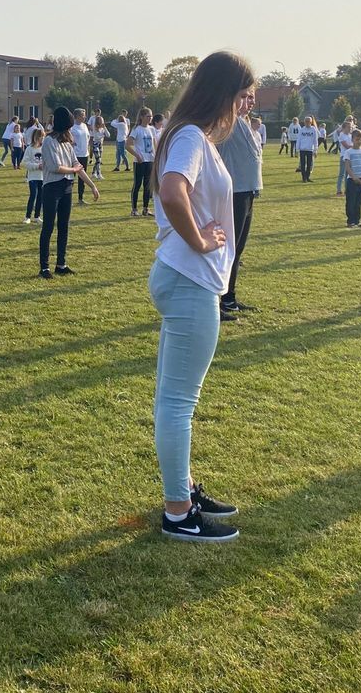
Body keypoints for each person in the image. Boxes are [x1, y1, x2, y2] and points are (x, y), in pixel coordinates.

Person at [150, 50, 252, 543]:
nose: (247, 105)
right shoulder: (190, 135)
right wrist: (198, 239)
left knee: (173, 398)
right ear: (223, 94)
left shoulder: (194, 135)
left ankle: (183, 491)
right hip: (188, 277)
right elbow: (173, 191)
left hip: (184, 277)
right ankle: (177, 513)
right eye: (244, 95)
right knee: (178, 402)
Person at [38, 107, 99, 278]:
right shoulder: (49, 141)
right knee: (48, 227)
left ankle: (61, 264)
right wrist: (73, 169)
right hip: (52, 188)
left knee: (64, 227)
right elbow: (55, 167)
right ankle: (44, 267)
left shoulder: (66, 142)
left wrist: (92, 185)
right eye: (69, 126)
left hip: (66, 187)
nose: (71, 130)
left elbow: (77, 166)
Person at [215, 85, 261, 317]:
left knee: (238, 249)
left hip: (248, 191)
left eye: (252, 98)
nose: (250, 102)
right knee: (229, 249)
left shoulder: (247, 124)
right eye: (245, 97)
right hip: (235, 193)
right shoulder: (227, 122)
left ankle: (229, 297)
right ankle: (219, 301)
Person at [128, 107, 156, 215]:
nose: (150, 118)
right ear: (142, 117)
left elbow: (155, 144)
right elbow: (128, 145)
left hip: (150, 160)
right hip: (140, 161)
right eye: (148, 116)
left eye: (151, 116)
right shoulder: (137, 129)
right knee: (137, 184)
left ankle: (146, 208)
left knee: (148, 185)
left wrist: (157, 156)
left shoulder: (151, 129)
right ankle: (134, 209)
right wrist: (137, 155)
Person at [342, 129, 361, 228]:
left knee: (358, 202)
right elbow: (348, 166)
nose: (359, 141)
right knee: (351, 201)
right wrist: (354, 177)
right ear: (352, 139)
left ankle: (357, 220)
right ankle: (350, 221)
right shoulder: (349, 152)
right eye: (357, 139)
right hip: (352, 181)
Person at [23, 127, 44, 223]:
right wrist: (37, 166)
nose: (42, 139)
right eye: (41, 137)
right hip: (33, 177)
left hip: (42, 177)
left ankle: (37, 216)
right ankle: (27, 217)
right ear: (36, 137)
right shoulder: (29, 149)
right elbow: (25, 163)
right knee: (33, 195)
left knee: (40, 196)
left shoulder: (44, 148)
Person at [71, 109, 92, 204]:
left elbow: (87, 138)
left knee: (82, 178)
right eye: (83, 115)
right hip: (76, 155)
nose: (84, 117)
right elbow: (68, 140)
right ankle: (67, 197)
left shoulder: (84, 126)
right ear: (77, 116)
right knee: (71, 178)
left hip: (84, 154)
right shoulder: (72, 127)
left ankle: (80, 198)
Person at [296, 115, 321, 182]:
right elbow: (299, 139)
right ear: (304, 122)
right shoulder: (302, 130)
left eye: (308, 121)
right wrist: (297, 149)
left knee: (309, 165)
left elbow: (315, 140)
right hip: (302, 150)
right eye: (306, 121)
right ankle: (304, 178)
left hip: (310, 150)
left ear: (311, 122)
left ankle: (307, 177)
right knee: (303, 164)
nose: (307, 123)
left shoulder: (313, 130)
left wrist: (315, 150)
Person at [332, 118, 355, 195]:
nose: (350, 128)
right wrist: (354, 146)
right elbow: (347, 146)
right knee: (341, 174)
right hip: (344, 157)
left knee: (348, 175)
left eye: (351, 127)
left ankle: (347, 190)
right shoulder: (342, 135)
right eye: (348, 127)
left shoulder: (351, 135)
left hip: (350, 157)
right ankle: (339, 190)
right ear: (344, 128)